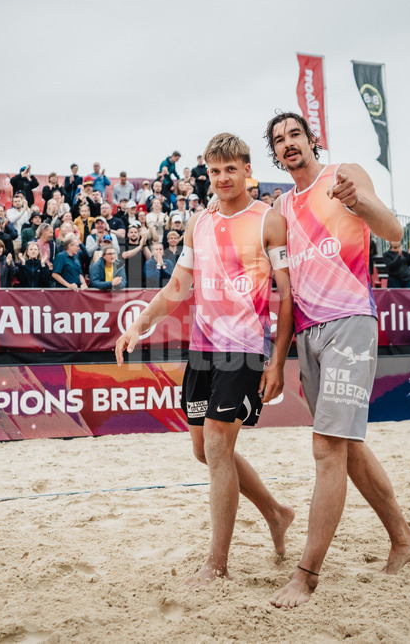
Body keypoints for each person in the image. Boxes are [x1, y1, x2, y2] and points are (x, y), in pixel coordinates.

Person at [117, 132, 295, 586]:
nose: (222, 178)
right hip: (203, 348)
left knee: (217, 446)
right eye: (214, 171)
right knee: (205, 451)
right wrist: (140, 324)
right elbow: (178, 287)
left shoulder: (267, 220)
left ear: (247, 170)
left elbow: (286, 294)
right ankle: (276, 512)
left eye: (230, 169)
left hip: (245, 349)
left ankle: (216, 564)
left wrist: (277, 360)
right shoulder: (200, 222)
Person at [265, 111, 410, 608]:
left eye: (295, 135)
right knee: (347, 445)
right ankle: (404, 540)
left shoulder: (345, 175)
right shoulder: (279, 208)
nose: (289, 144)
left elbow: (394, 231)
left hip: (350, 320)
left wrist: (358, 201)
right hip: (309, 334)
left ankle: (306, 575)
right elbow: (284, 289)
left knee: (327, 447)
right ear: (274, 154)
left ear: (313, 140)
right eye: (279, 140)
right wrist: (278, 356)